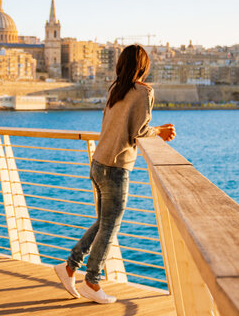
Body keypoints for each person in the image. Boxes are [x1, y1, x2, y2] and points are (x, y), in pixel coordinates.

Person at [54, 44, 176, 304]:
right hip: (116, 166)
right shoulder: (144, 91)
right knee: (110, 224)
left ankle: (68, 268)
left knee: (103, 222)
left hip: (98, 162)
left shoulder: (115, 88)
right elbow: (139, 132)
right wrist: (161, 132)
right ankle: (92, 281)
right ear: (143, 66)